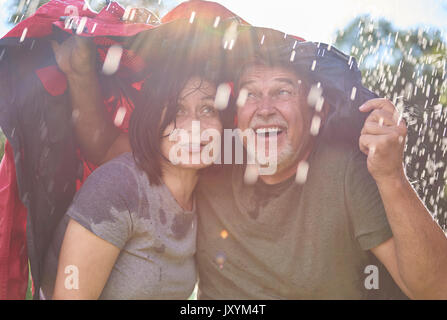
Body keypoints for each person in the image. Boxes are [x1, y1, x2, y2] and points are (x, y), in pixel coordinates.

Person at [49, 19, 447, 300]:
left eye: (283, 91)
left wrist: (393, 178)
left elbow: (436, 290)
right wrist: (80, 74)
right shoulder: (210, 160)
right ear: (234, 114)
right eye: (250, 93)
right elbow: (110, 151)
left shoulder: (350, 172)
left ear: (318, 112)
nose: (265, 108)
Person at [40, 33, 229, 299]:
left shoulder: (208, 194)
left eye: (208, 110)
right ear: (152, 119)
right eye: (177, 110)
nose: (194, 126)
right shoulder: (118, 187)